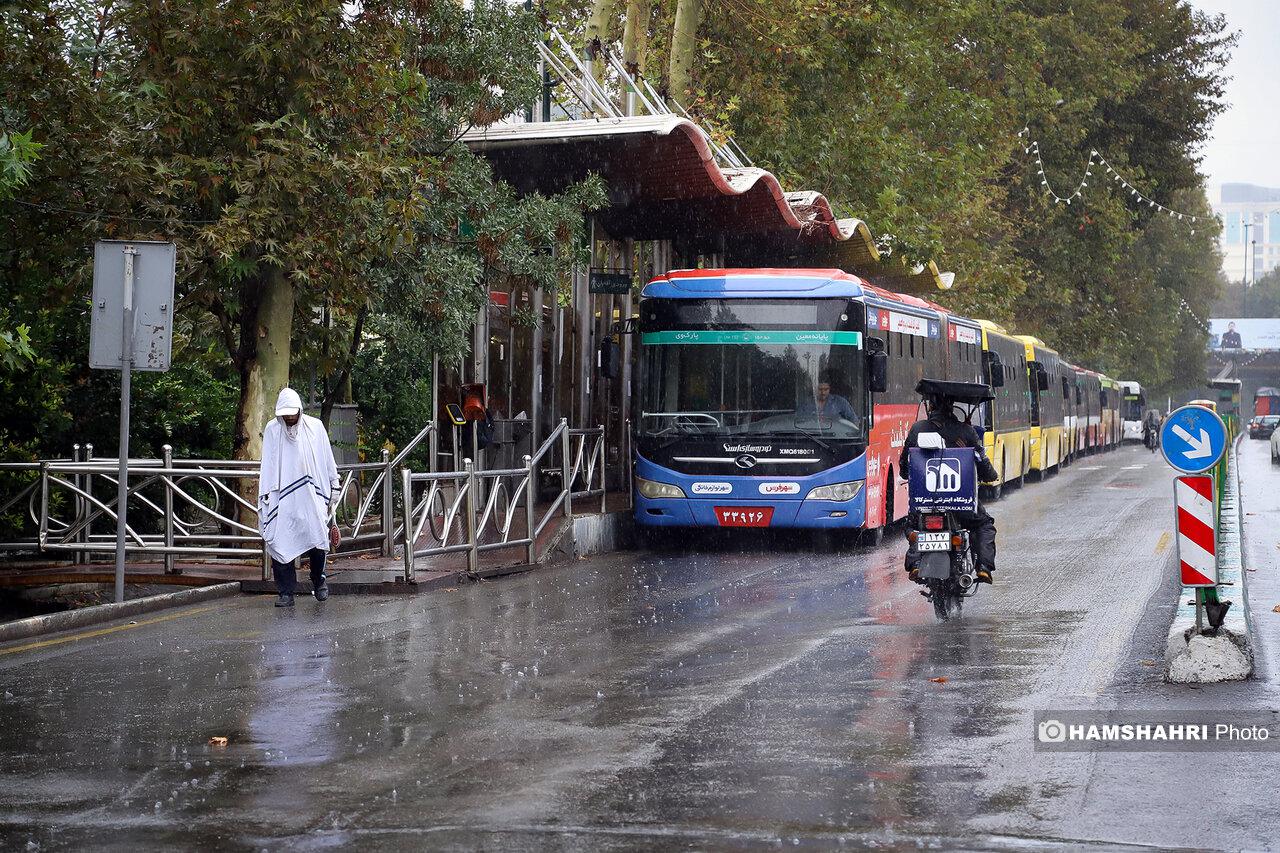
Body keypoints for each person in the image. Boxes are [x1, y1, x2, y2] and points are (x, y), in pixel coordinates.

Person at [898, 384, 999, 584]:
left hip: (925, 504)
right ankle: (984, 568)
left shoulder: (917, 430)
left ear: (931, 406)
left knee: (913, 526)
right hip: (960, 504)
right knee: (984, 524)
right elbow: (985, 467)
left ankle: (916, 563)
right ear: (951, 407)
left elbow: (904, 467)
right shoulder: (967, 432)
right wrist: (990, 475)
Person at [258, 388, 341, 607]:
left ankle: (319, 582)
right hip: (281, 498)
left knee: (316, 537)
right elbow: (267, 465)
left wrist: (334, 484)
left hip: (312, 494)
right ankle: (285, 592)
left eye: (293, 413)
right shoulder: (272, 430)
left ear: (300, 411)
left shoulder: (315, 427)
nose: (290, 418)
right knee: (279, 539)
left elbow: (326, 456)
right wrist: (266, 496)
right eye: (285, 414)